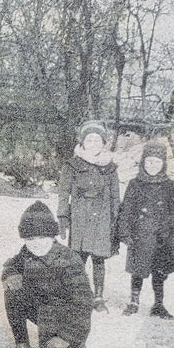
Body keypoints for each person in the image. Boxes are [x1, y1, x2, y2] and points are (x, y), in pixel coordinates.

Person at [0, 200, 95, 348]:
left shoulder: (69, 260)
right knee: (13, 289)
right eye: (30, 239)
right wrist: (10, 274)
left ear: (52, 236)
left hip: (66, 323)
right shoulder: (27, 252)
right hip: (44, 314)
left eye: (41, 237)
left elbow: (83, 304)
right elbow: (11, 264)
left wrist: (66, 338)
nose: (36, 243)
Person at [116, 141, 174, 318]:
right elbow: (126, 210)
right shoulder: (135, 184)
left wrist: (167, 226)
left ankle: (159, 304)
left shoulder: (169, 185)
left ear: (163, 163)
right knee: (138, 270)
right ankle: (134, 301)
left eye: (156, 162)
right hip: (140, 235)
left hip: (162, 236)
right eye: (149, 162)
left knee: (160, 271)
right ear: (143, 163)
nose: (152, 165)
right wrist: (124, 232)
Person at [57, 121, 122, 312]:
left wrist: (116, 222)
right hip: (80, 217)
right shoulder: (72, 165)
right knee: (78, 258)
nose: (93, 143)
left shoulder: (110, 168)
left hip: (102, 218)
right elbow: (63, 193)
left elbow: (115, 197)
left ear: (103, 143)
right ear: (83, 142)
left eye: (97, 140)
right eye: (89, 139)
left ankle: (98, 297)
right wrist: (62, 216)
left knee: (99, 259)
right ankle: (77, 293)